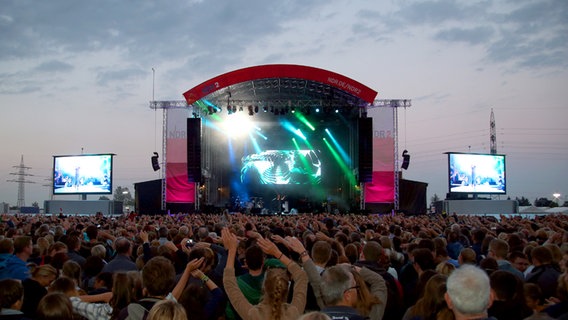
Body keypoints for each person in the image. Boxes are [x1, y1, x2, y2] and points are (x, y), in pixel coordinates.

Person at [222, 227, 308, 320]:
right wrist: (277, 253)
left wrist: (231, 251)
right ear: (286, 288)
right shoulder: (293, 312)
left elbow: (229, 283)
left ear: (264, 287)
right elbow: (301, 275)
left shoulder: (254, 315)